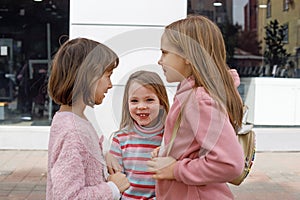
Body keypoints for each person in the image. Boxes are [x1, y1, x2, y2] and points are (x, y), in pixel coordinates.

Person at [147, 15, 245, 199]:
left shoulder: (199, 100)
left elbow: (229, 163)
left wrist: (175, 169)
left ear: (187, 56)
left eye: (165, 52)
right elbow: (197, 145)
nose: (160, 61)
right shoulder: (192, 94)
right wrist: (170, 150)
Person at [47, 37, 130, 200]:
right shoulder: (73, 131)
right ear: (88, 76)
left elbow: (82, 157)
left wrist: (104, 155)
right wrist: (113, 188)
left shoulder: (73, 119)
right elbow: (68, 196)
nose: (110, 84)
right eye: (108, 75)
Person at [108, 70, 169, 199]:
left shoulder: (169, 138)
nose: (141, 106)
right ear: (127, 104)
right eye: (135, 101)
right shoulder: (120, 139)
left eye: (149, 100)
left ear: (162, 103)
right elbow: (115, 181)